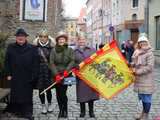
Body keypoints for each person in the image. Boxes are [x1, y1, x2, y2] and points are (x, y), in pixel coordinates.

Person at [4, 28, 39, 120]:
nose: (20, 38)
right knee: (15, 95)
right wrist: (8, 74)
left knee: (27, 95)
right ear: (16, 38)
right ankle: (16, 111)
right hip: (14, 76)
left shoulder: (32, 48)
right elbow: (7, 62)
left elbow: (36, 63)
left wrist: (34, 76)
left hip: (28, 77)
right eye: (19, 36)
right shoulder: (10, 47)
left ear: (25, 37)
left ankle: (27, 113)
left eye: (22, 36)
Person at [49, 31, 75, 118]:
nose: (61, 41)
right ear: (57, 40)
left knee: (63, 93)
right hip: (56, 75)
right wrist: (56, 75)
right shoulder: (53, 50)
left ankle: (65, 110)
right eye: (60, 39)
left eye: (63, 39)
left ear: (65, 40)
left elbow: (72, 61)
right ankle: (61, 110)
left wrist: (66, 71)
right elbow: (51, 63)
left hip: (66, 75)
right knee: (58, 94)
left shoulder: (70, 50)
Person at [74, 32, 99, 118]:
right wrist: (76, 67)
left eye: (83, 39)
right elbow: (72, 62)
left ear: (86, 40)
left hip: (90, 75)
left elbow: (97, 60)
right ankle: (82, 111)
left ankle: (91, 111)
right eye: (80, 39)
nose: (82, 41)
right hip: (80, 76)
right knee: (81, 95)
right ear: (78, 40)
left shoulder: (92, 50)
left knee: (90, 95)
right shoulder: (74, 51)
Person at [131, 33, 155, 120]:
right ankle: (142, 114)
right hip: (138, 80)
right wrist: (130, 65)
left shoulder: (149, 53)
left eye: (144, 42)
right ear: (138, 43)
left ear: (147, 42)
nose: (142, 43)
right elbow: (134, 63)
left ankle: (146, 115)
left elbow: (149, 67)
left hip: (146, 79)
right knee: (141, 97)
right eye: (141, 42)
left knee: (146, 98)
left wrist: (137, 72)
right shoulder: (136, 52)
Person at [33, 29, 54, 114]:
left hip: (48, 71)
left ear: (48, 38)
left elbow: (53, 61)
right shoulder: (35, 47)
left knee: (48, 89)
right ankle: (43, 106)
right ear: (39, 37)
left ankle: (49, 104)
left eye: (45, 36)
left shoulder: (51, 47)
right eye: (41, 36)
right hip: (39, 71)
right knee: (41, 90)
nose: (43, 38)